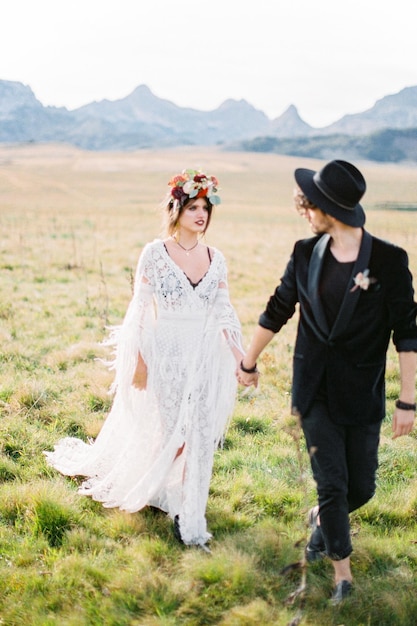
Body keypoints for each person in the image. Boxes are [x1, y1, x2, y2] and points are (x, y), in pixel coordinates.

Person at [237, 160, 417, 603]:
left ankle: (323, 520)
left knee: (362, 488)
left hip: (362, 392)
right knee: (333, 485)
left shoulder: (389, 261)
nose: (304, 211)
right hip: (313, 388)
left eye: (310, 204)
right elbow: (279, 308)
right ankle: (343, 577)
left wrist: (407, 400)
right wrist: (248, 361)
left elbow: (408, 332)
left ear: (329, 209)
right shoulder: (303, 253)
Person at [45, 169, 245, 550]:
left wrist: (240, 356)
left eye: (205, 208)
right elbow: (138, 311)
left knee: (198, 432)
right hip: (165, 352)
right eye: (193, 207)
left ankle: (188, 510)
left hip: (202, 355)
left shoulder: (216, 259)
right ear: (177, 209)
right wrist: (137, 361)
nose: (200, 214)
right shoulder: (154, 254)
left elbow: (224, 310)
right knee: (174, 432)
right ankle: (157, 488)